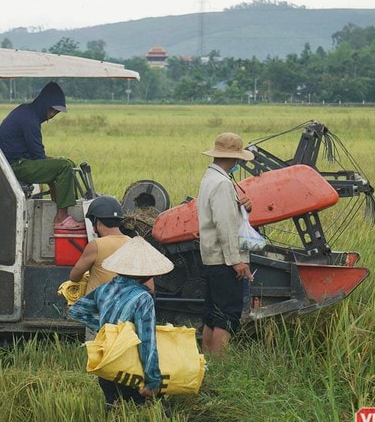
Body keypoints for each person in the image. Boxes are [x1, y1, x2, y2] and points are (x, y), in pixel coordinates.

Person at [68, 235, 173, 406]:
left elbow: (76, 311)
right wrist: (153, 380)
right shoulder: (142, 298)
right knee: (148, 415)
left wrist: (105, 328)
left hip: (108, 367)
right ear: (148, 273)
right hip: (130, 368)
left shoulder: (105, 289)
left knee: (114, 412)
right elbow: (147, 341)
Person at [197, 132, 255, 355]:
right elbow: (225, 226)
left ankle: (207, 361)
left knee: (213, 314)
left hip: (212, 258)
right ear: (235, 159)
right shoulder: (221, 183)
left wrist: (242, 207)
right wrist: (236, 261)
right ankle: (220, 365)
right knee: (227, 316)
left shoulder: (210, 178)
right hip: (224, 260)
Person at [0, 81, 81, 229]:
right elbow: (38, 156)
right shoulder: (30, 120)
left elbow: (37, 155)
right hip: (15, 166)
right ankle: (61, 217)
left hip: (21, 161)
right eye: (52, 110)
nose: (53, 115)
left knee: (69, 163)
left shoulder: (27, 112)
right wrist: (52, 180)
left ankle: (66, 205)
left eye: (56, 112)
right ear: (44, 104)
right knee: (64, 166)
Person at [69, 196, 156, 341]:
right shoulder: (133, 244)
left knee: (98, 355)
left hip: (100, 310)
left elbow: (74, 276)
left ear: (97, 222)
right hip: (126, 312)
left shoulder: (95, 245)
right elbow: (149, 286)